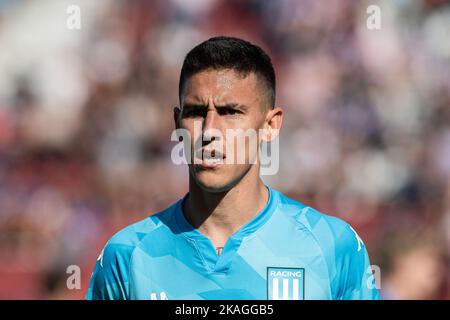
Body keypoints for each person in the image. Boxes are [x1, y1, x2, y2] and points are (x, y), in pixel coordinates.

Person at [86, 36, 380, 300]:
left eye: (230, 112)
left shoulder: (331, 244)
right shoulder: (127, 256)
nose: (209, 130)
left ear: (270, 125)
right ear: (177, 123)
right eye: (196, 112)